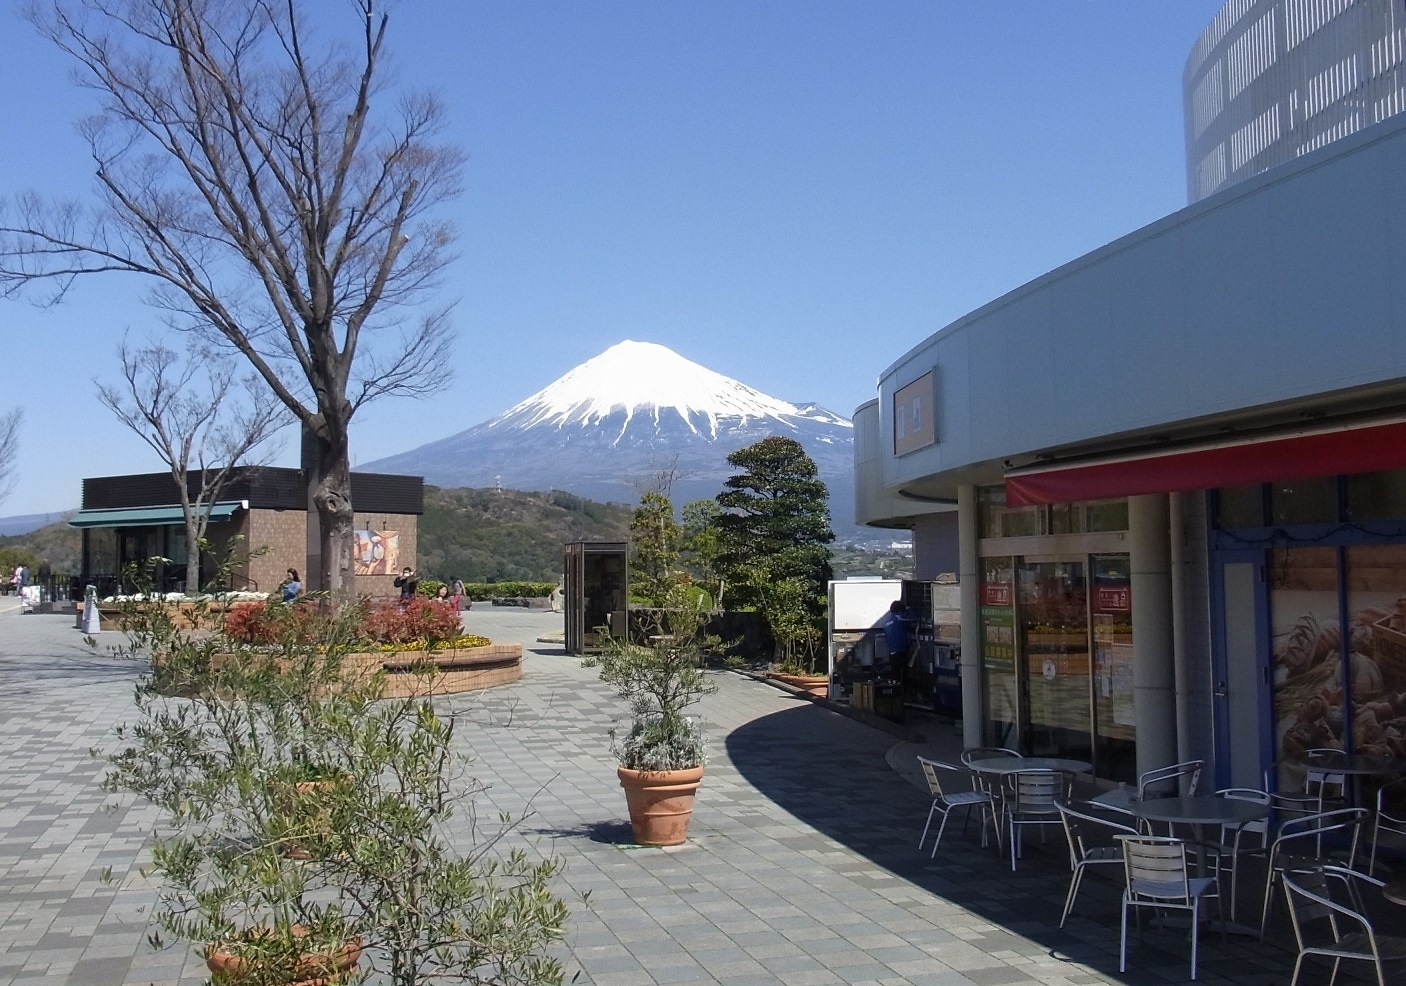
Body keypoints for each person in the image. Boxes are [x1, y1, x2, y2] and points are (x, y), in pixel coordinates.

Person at [883, 600, 914, 680]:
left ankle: (896, 689)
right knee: (904, 675)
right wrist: (910, 610)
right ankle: (904, 691)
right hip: (901, 651)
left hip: (892, 651)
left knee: (895, 675)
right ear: (899, 611)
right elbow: (912, 620)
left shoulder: (887, 621)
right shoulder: (898, 619)